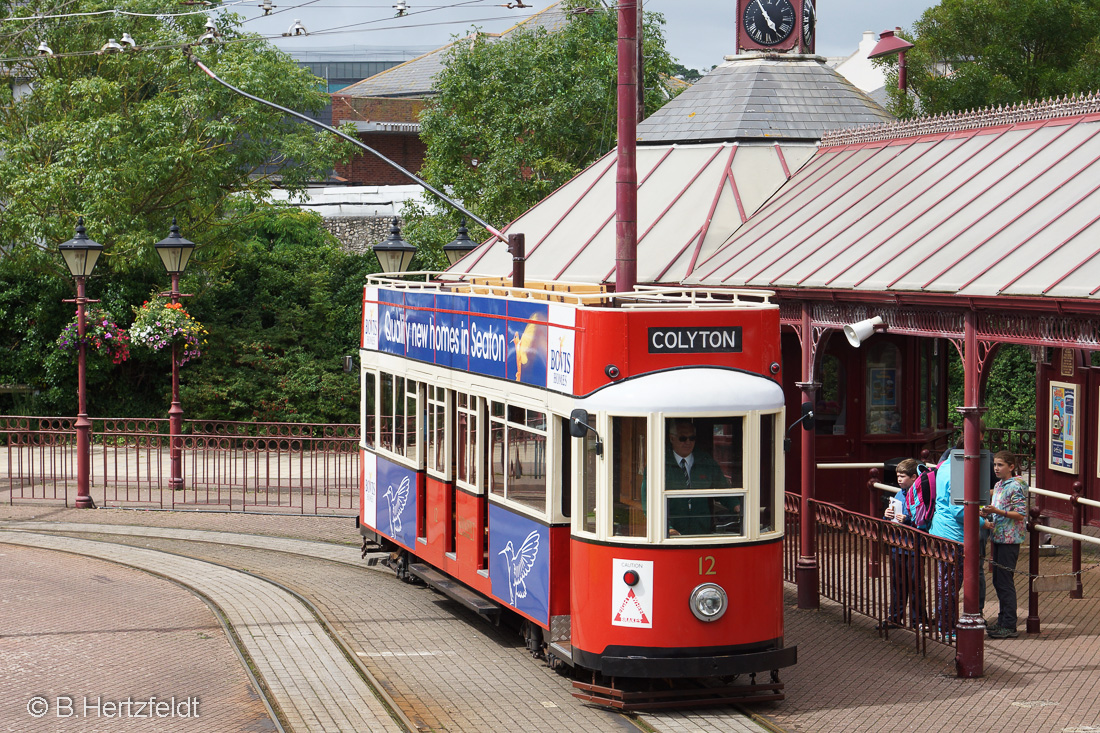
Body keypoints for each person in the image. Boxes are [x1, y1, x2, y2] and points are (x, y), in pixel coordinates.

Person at [981, 450, 1028, 639]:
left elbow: (1020, 513)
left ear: (1011, 466)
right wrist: (988, 514)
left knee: (1005, 581)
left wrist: (998, 512)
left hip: (1010, 539)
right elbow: (998, 509)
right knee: (998, 581)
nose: (996, 468)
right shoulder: (999, 485)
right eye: (994, 465)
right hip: (998, 537)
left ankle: (1009, 624)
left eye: (1000, 465)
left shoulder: (1015, 486)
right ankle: (1002, 621)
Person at [663, 419, 734, 536]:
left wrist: (738, 506)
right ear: (672, 438)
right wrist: (668, 528)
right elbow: (649, 502)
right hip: (671, 534)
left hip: (702, 531)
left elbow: (723, 490)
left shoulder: (706, 462)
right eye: (683, 438)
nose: (688, 442)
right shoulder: (660, 463)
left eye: (692, 438)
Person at [880, 459, 919, 630]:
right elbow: (891, 517)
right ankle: (895, 617)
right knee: (897, 583)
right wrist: (886, 515)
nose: (899, 479)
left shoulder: (919, 494)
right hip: (898, 544)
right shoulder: (899, 494)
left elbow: (924, 519)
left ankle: (918, 620)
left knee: (915, 585)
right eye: (898, 476)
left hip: (912, 546)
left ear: (913, 477)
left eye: (903, 476)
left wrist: (909, 520)